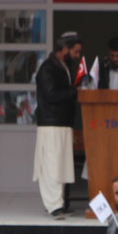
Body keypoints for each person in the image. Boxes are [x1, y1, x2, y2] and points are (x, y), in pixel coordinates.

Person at [33, 28, 85, 213]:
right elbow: (51, 95)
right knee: (52, 166)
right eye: (75, 51)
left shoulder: (64, 67)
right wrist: (76, 91)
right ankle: (53, 205)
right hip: (51, 124)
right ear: (65, 49)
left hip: (63, 123)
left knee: (62, 167)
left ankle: (61, 203)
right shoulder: (47, 68)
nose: (77, 56)